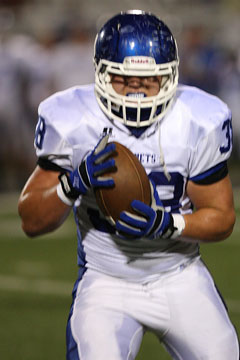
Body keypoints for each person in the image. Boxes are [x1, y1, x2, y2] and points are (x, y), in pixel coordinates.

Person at [18, 10, 239, 360]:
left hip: (179, 274)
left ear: (170, 77)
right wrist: (72, 184)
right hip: (107, 281)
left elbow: (222, 217)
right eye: (123, 77)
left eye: (147, 79)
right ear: (102, 74)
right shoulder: (72, 119)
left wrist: (169, 224)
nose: (135, 87)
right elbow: (31, 221)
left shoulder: (197, 118)